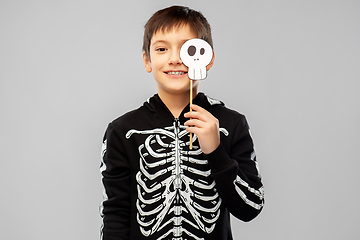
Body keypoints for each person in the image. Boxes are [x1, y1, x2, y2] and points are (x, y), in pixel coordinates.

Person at [99, 5, 264, 240]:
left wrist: (216, 152)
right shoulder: (124, 131)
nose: (175, 59)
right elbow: (115, 213)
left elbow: (250, 207)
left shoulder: (230, 124)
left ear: (207, 59)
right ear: (147, 60)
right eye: (162, 49)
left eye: (188, 49)